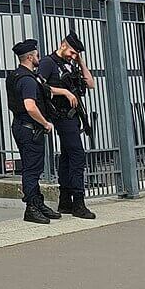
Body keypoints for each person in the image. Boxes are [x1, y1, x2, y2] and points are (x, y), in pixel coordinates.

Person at [37, 33, 98, 220]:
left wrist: (80, 62)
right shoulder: (48, 62)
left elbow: (91, 84)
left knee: (66, 157)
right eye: (72, 52)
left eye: (76, 54)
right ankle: (78, 202)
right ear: (63, 45)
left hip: (73, 117)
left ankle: (65, 200)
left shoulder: (72, 63)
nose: (73, 55)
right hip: (62, 116)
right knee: (77, 156)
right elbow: (40, 86)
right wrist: (63, 91)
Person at [4, 38, 57, 224]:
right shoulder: (27, 80)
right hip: (30, 129)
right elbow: (30, 106)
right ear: (29, 57)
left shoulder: (16, 75)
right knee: (32, 170)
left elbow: (45, 89)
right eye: (36, 55)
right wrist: (45, 123)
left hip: (20, 126)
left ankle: (37, 202)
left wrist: (65, 92)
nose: (39, 58)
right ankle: (32, 208)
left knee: (32, 167)